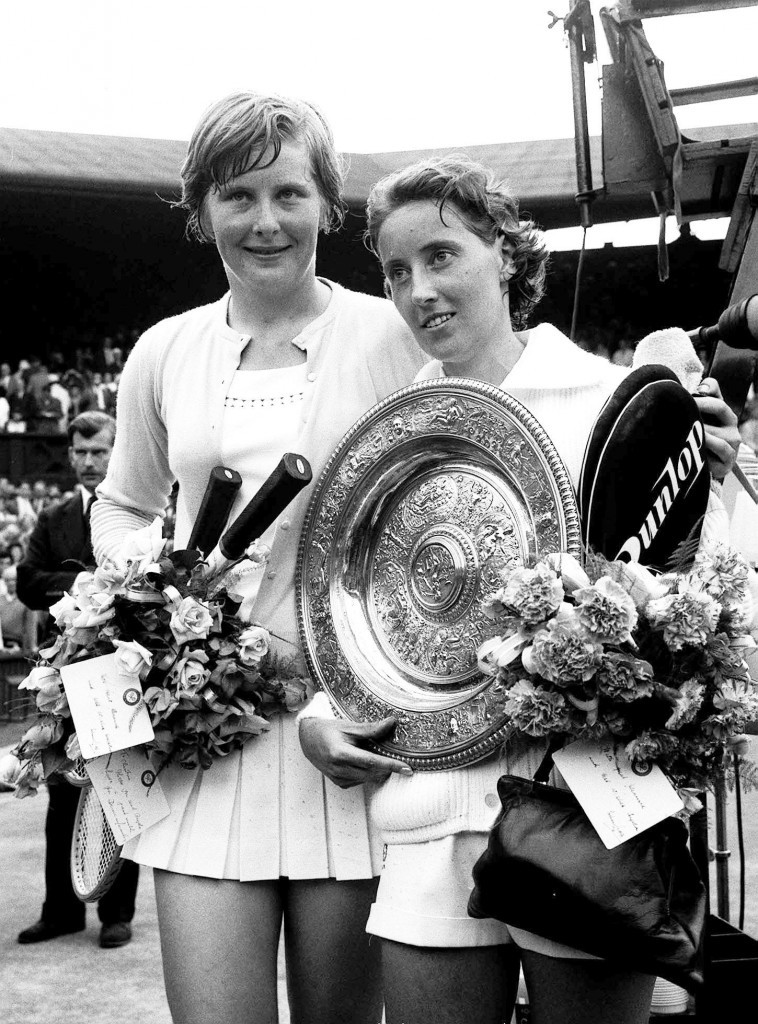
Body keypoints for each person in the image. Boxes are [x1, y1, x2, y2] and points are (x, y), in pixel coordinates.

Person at [299, 156, 741, 1024]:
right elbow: (362, 606)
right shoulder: (391, 436)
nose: (418, 290)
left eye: (441, 256)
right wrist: (324, 715)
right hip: (429, 815)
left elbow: (709, 609)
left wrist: (712, 484)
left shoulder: (623, 402)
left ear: (504, 252)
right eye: (395, 271)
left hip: (588, 812)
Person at [89, 92, 423, 1024]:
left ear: (327, 202)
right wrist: (155, 588)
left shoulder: (398, 338)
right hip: (206, 744)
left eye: (289, 192)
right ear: (201, 211)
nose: (266, 221)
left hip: (350, 734)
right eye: (237, 195)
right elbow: (121, 506)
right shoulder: (163, 350)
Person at [15, 410, 140, 949]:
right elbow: (26, 581)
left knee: (116, 790)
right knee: (62, 793)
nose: (90, 462)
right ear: (69, 456)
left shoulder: (138, 515)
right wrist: (88, 584)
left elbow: (144, 580)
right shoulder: (55, 516)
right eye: (81, 452)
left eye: (99, 451)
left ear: (116, 452)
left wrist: (77, 587)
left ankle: (117, 912)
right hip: (64, 674)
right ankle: (61, 911)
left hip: (118, 669)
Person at [0, 564, 37, 651]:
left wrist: (32, 646)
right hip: (1, 644)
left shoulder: (26, 601)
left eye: (14, 580)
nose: (11, 583)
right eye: (8, 580)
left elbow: (31, 625)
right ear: (4, 582)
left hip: (18, 645)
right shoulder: (0, 599)